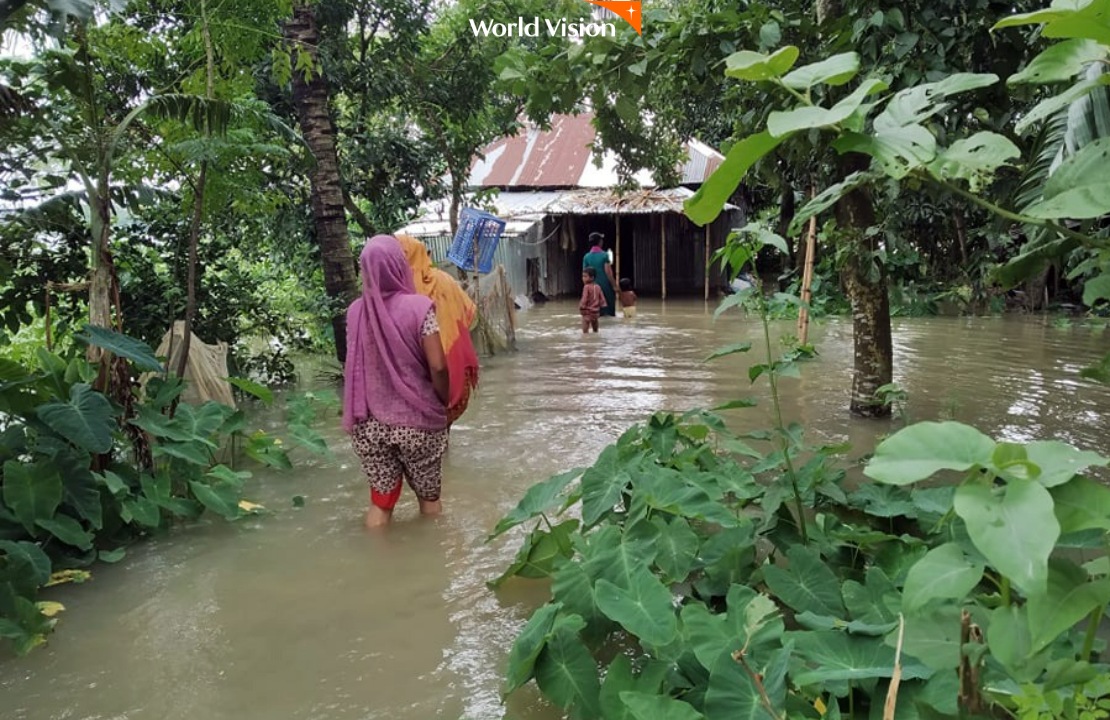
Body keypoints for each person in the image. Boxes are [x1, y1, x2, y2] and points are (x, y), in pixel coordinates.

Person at [343, 235, 450, 528]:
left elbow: (356, 366)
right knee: (429, 499)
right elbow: (438, 365)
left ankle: (377, 562)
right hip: (416, 422)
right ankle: (433, 562)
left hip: (369, 425)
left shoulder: (354, 312)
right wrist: (443, 401)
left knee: (381, 502)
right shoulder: (419, 307)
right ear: (397, 265)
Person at [396, 234, 480, 424]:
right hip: (456, 376)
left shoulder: (400, 289)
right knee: (442, 429)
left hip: (419, 382)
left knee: (424, 433)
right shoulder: (445, 280)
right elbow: (469, 314)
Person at [582, 232, 616, 317]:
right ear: (600, 242)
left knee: (594, 313)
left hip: (592, 288)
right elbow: (608, 272)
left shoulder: (586, 257)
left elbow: (585, 275)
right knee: (608, 314)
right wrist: (615, 286)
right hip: (606, 287)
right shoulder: (605, 255)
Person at [580, 267, 607, 333]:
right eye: (583, 276)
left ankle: (586, 340)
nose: (583, 278)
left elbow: (584, 298)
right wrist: (603, 305)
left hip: (587, 312)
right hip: (596, 312)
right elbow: (602, 298)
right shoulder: (598, 286)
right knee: (595, 329)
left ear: (592, 277)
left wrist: (582, 306)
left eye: (585, 276)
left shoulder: (586, 287)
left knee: (585, 332)